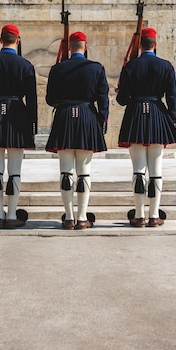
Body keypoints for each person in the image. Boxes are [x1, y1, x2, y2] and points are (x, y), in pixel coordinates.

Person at [116, 27, 176, 227]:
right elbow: (172, 97)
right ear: (155, 43)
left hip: (136, 114)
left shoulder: (130, 67)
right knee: (156, 170)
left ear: (140, 44)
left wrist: (120, 91)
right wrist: (171, 119)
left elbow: (122, 100)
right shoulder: (166, 66)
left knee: (138, 170)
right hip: (157, 115)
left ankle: (138, 215)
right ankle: (154, 215)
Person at [45, 31, 109, 230]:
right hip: (87, 116)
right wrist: (101, 120)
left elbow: (49, 99)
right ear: (85, 46)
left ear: (69, 48)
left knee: (66, 172)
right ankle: (82, 217)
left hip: (64, 117)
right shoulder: (96, 68)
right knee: (84, 173)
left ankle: (69, 217)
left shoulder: (58, 68)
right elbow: (103, 98)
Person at [0, 24, 37, 229]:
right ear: (17, 41)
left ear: (0, 40)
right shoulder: (25, 65)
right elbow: (32, 99)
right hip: (17, 114)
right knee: (15, 170)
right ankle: (12, 214)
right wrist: (32, 124)